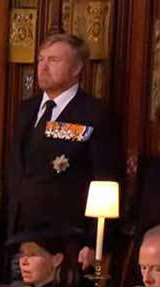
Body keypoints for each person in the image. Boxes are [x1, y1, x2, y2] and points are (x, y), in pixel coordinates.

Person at [7, 33, 118, 271]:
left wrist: (96, 241)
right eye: (40, 59)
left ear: (77, 67)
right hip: (21, 235)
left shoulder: (94, 113)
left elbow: (107, 180)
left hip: (66, 240)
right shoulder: (26, 110)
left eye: (54, 60)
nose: (43, 67)